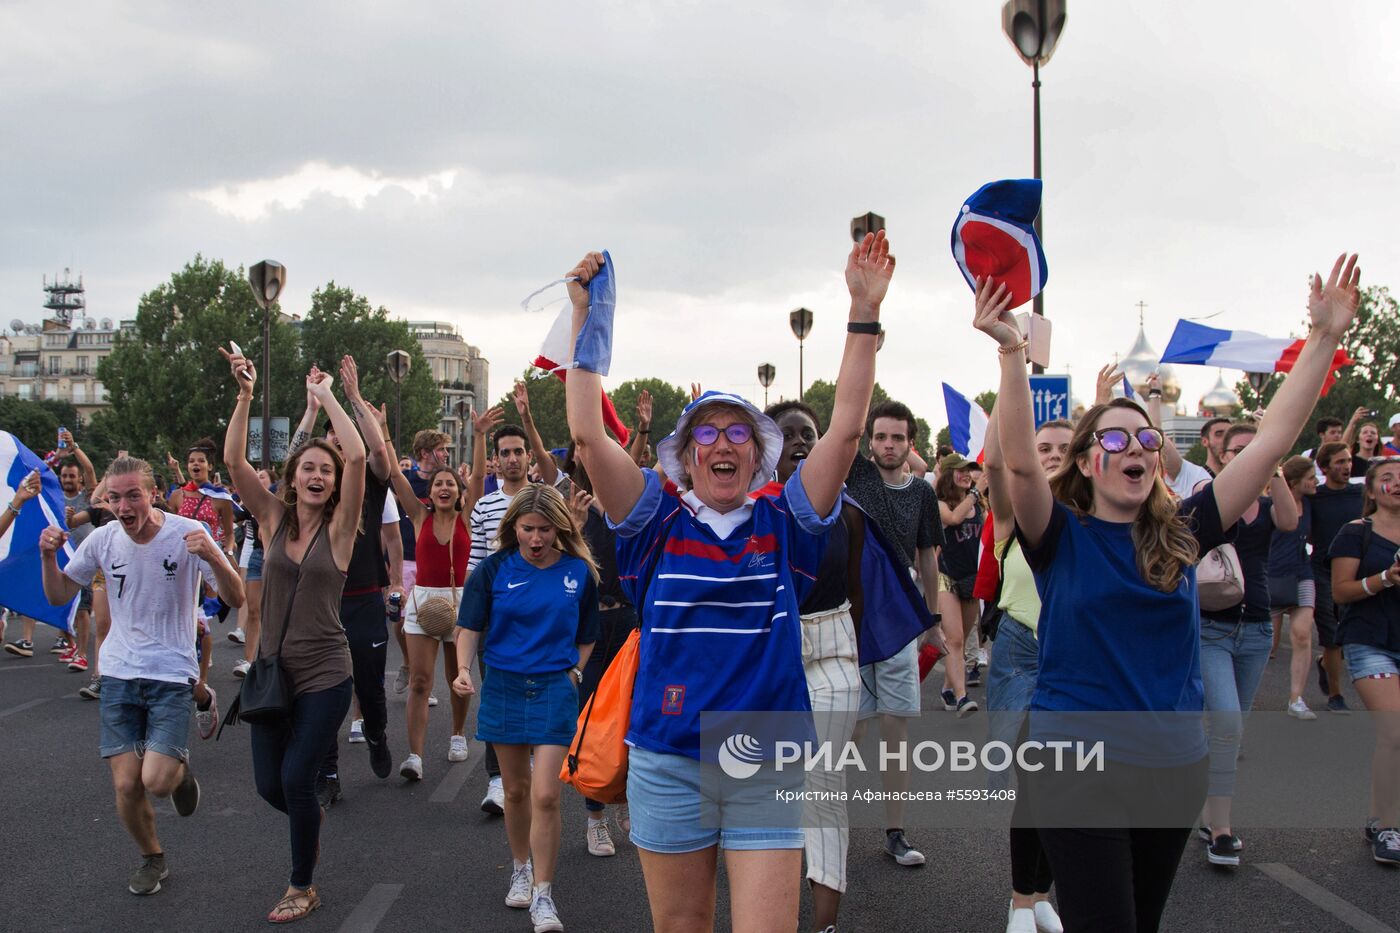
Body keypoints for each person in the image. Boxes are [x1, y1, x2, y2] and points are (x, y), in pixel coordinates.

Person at [974, 252, 1359, 932]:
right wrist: (1011, 357)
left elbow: (1270, 440)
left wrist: (1324, 339)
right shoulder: (1058, 533)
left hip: (1173, 768)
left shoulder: (1184, 528)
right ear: (1092, 459)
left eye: (1146, 436)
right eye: (1116, 436)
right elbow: (1020, 459)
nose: (1137, 445)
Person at [565, 232, 891, 932]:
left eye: (739, 433)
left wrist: (862, 312)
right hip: (667, 759)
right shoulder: (655, 517)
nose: (721, 443)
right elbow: (589, 438)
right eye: (705, 433)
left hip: (764, 762)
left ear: (759, 454)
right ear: (685, 457)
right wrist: (589, 321)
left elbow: (844, 432)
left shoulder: (783, 521)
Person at [39, 455, 245, 897]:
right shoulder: (103, 540)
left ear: (152, 494)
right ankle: (153, 856)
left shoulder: (186, 535)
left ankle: (179, 773)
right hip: (117, 672)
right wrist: (47, 555)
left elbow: (237, 596)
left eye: (133, 495)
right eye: (115, 498)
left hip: (172, 674)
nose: (124, 505)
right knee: (126, 783)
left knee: (155, 780)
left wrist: (213, 554)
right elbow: (58, 593)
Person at [222, 348, 364, 923]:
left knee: (297, 777)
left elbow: (356, 453)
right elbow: (234, 464)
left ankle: (301, 885)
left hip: (327, 673)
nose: (317, 475)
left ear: (332, 485)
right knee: (269, 787)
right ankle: (309, 822)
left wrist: (327, 394)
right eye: (308, 467)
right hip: (271, 670)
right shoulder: (273, 521)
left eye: (324, 471)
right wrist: (245, 396)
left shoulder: (341, 529)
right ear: (293, 476)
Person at [452, 485, 600, 932]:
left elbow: (588, 634)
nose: (536, 538)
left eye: (545, 529)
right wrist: (462, 669)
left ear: (560, 528)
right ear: (513, 527)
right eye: (528, 528)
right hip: (503, 686)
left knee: (546, 794)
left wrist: (574, 672)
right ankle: (520, 869)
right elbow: (468, 627)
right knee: (514, 792)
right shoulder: (493, 570)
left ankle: (543, 893)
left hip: (555, 688)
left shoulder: (578, 571)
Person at [765, 399, 866, 933]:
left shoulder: (848, 512)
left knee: (823, 789)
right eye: (789, 434)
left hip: (833, 655)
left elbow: (857, 590)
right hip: (767, 663)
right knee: (768, 790)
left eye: (810, 433)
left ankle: (825, 924)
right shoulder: (753, 515)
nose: (802, 441)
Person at [845, 399, 945, 867]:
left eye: (897, 438)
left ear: (911, 443)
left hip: (900, 617)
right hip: (851, 613)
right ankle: (831, 826)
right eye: (881, 437)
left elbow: (928, 558)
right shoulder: (856, 476)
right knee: (850, 729)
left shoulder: (923, 493)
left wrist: (932, 621)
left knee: (896, 731)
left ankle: (896, 832)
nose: (888, 445)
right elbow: (845, 425)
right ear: (870, 442)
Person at [981, 413, 1070, 933]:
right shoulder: (1012, 516)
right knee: (1036, 782)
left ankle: (1041, 896)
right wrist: (1005, 394)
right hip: (1021, 653)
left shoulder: (1086, 521)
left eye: (1065, 446)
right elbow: (995, 461)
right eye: (1043, 446)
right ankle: (1020, 901)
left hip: (1074, 655)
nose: (1053, 453)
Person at [308, 354, 410, 804]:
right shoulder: (310, 488)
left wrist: (352, 399)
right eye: (330, 440)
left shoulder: (368, 486)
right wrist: (314, 409)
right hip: (321, 603)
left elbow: (382, 457)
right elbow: (293, 457)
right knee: (323, 690)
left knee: (369, 687)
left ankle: (377, 732)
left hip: (364, 600)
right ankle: (327, 770)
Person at [1197, 422, 1297, 867]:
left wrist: (1273, 467)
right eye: (1236, 449)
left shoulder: (1270, 500)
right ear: (1221, 453)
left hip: (1257, 629)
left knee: (1230, 734)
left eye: (1251, 449)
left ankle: (1208, 810)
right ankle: (1221, 830)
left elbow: (1291, 523)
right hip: (1211, 628)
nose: (1244, 455)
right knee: (1227, 725)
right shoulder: (1213, 497)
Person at [386, 405, 495, 780]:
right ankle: (414, 756)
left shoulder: (467, 517)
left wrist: (479, 435)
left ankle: (457, 734)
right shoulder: (419, 516)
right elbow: (394, 475)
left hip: (459, 603)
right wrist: (383, 429)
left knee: (457, 676)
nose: (445, 487)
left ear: (458, 491)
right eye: (439, 484)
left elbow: (479, 474)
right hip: (422, 603)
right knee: (420, 680)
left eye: (451, 483)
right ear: (430, 492)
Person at [469, 387, 561, 815]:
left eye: (518, 451)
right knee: (497, 697)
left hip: (544, 618)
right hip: (498, 617)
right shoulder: (485, 507)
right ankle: (497, 781)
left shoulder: (547, 501)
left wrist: (527, 418)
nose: (511, 458)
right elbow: (476, 563)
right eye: (504, 452)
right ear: (496, 459)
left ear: (527, 456)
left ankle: (532, 770)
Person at [1329, 457, 1400, 866]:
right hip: (1369, 640)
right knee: (1393, 732)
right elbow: (1340, 591)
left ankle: (1379, 816)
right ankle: (1390, 827)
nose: (1396, 483)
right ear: (1371, 491)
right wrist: (1385, 579)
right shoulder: (1356, 533)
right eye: (1386, 478)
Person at [166, 438, 236, 739]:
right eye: (192, 460)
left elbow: (229, 533)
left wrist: (227, 556)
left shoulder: (221, 498)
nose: (196, 465)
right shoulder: (178, 496)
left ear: (210, 466)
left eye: (201, 461)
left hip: (208, 563)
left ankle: (202, 678)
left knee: (203, 626)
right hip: (179, 564)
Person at [393, 428, 453, 695]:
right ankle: (407, 662)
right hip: (404, 555)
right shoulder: (405, 481)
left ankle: (422, 680)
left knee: (434, 623)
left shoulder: (446, 483)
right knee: (399, 621)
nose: (446, 454)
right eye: (441, 449)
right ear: (425, 453)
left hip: (431, 560)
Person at [1309, 440, 1364, 712]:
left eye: (1349, 461)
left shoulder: (1361, 494)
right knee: (1331, 635)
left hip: (1358, 570)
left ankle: (1324, 663)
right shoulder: (1314, 496)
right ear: (1324, 467)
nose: (1346, 466)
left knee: (1354, 630)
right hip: (1322, 571)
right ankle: (1335, 695)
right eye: (1340, 462)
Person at [1269, 456, 1320, 717]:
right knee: (1269, 646)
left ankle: (1295, 699)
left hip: (1302, 572)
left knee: (1302, 634)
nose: (1316, 482)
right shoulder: (1272, 504)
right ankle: (1244, 696)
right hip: (1273, 577)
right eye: (1311, 478)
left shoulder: (1311, 503)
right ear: (1294, 482)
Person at [935, 451, 984, 709]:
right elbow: (953, 520)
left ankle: (947, 688)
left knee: (962, 639)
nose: (967, 475)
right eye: (961, 470)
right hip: (947, 578)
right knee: (954, 639)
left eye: (970, 471)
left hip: (971, 580)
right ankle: (963, 696)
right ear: (949, 474)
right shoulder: (942, 504)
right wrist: (975, 493)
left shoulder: (979, 505)